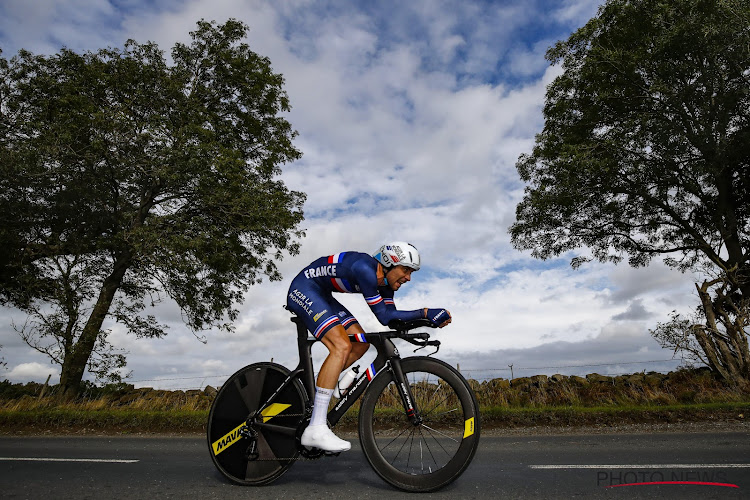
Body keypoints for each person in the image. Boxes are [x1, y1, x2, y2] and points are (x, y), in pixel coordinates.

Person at [286, 242, 452, 452]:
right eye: (406, 270)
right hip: (304, 288)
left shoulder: (386, 286)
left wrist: (427, 320)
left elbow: (391, 320)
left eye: (411, 273)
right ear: (389, 263)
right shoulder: (365, 269)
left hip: (323, 294)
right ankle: (316, 428)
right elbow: (383, 315)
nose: (408, 278)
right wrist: (425, 312)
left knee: (361, 343)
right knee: (341, 346)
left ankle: (327, 386)